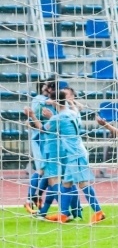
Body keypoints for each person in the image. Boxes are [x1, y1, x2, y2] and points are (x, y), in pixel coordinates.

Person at [38, 89, 105, 224]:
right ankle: (63, 215)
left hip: (75, 154)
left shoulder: (58, 118)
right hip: (76, 151)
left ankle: (98, 212)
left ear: (55, 102)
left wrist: (44, 117)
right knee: (66, 183)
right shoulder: (73, 113)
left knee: (82, 183)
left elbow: (43, 129)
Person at [23, 79, 56, 213]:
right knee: (43, 170)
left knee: (49, 173)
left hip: (51, 139)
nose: (47, 89)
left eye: (49, 87)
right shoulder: (39, 99)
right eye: (45, 86)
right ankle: (29, 200)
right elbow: (35, 114)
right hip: (41, 139)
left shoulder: (56, 101)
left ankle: (35, 198)